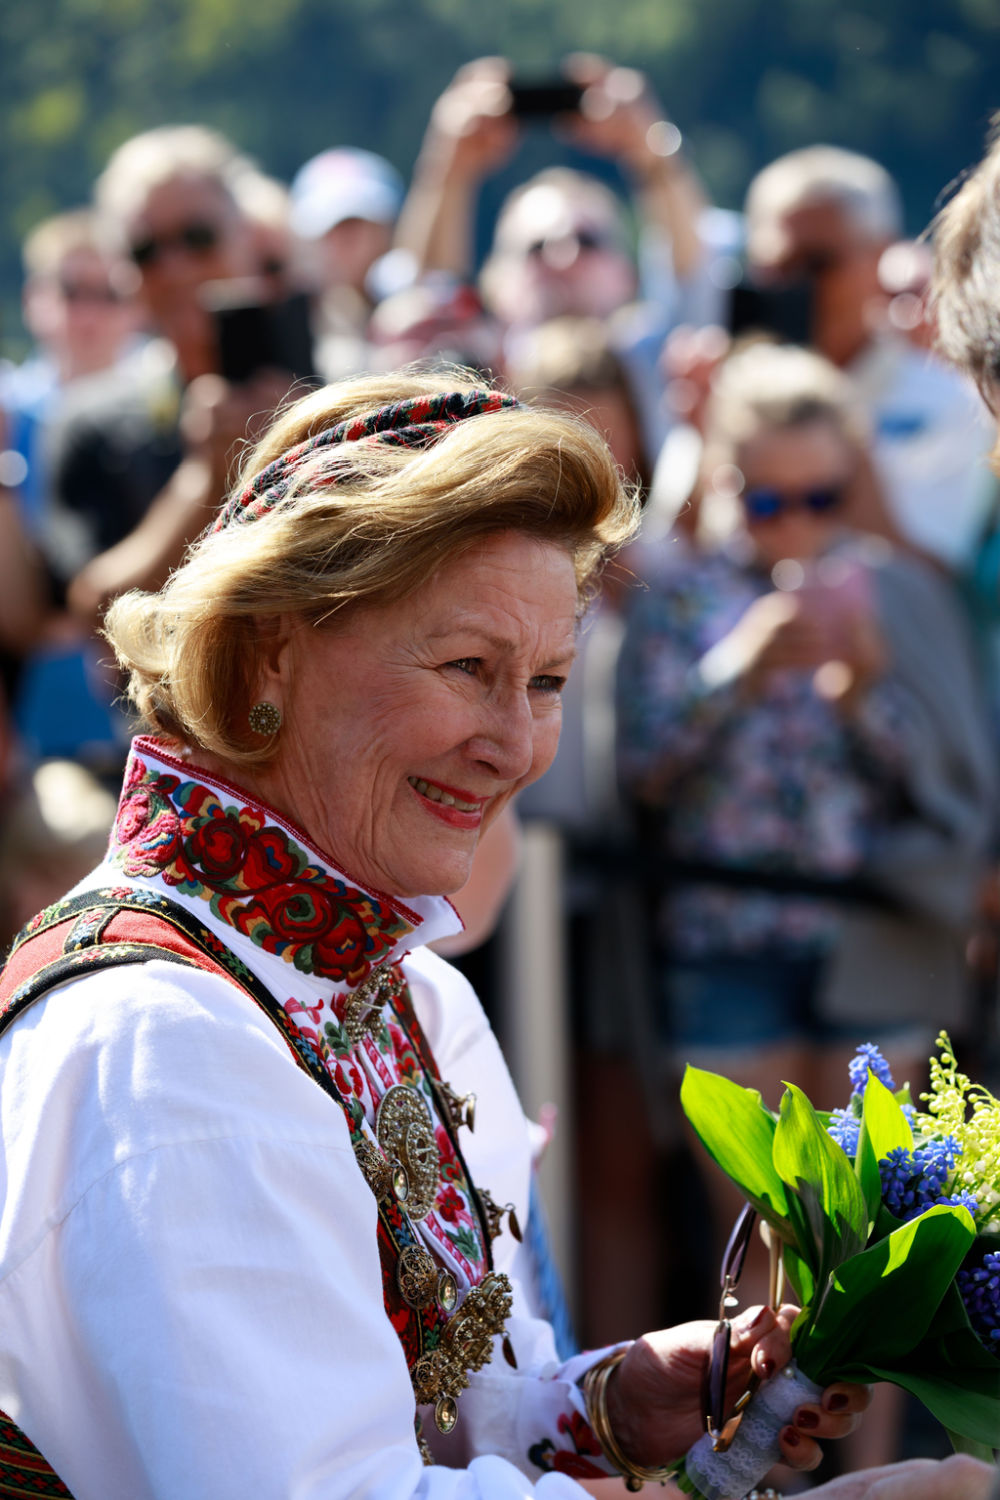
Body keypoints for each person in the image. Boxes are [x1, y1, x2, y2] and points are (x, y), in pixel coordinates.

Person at [0, 370, 867, 1497]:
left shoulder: (394, 984)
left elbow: (430, 1420)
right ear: (270, 650)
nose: (515, 745)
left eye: (547, 681)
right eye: (468, 668)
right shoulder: (167, 1044)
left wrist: (598, 1406)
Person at [743, 145, 994, 570]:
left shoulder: (950, 404)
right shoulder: (728, 395)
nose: (798, 286)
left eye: (818, 263)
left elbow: (934, 578)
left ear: (880, 255)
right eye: (779, 267)